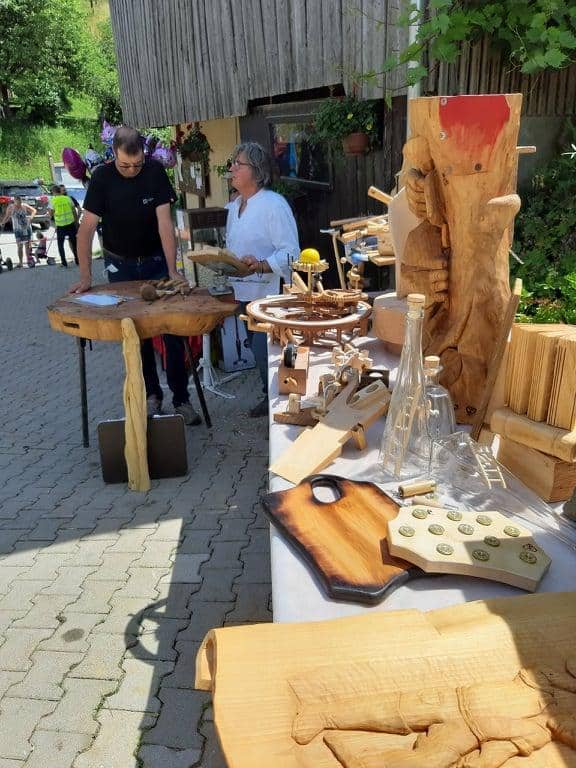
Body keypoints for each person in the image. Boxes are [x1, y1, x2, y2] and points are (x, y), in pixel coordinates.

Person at [69, 125, 200, 425]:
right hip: (121, 266)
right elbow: (85, 231)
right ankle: (152, 395)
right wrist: (86, 277)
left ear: (144, 153)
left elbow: (165, 224)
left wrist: (172, 270)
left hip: (155, 262)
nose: (131, 170)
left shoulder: (154, 172)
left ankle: (182, 398)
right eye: (125, 165)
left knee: (172, 329)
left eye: (137, 164)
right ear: (113, 154)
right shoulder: (101, 178)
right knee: (135, 333)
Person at [226, 141, 300, 417]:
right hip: (244, 293)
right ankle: (269, 398)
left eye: (238, 164)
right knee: (257, 353)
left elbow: (291, 253)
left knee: (269, 352)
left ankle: (284, 406)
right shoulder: (235, 206)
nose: (232, 168)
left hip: (270, 296)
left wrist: (260, 265)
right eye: (232, 163)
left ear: (256, 171)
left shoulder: (273, 205)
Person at [0, 196, 36, 268]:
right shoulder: (11, 207)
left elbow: (34, 210)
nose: (19, 205)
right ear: (14, 202)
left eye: (20, 203)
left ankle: (29, 261)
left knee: (27, 246)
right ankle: (21, 262)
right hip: (17, 230)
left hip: (26, 228)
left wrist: (30, 218)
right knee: (19, 246)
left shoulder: (24, 206)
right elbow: (7, 216)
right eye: (17, 204)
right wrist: (2, 223)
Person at [49, 184, 78, 267]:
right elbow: (74, 211)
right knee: (74, 243)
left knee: (60, 245)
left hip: (61, 226)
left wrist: (52, 221)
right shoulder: (68, 198)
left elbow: (51, 213)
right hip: (70, 224)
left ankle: (64, 262)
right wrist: (76, 222)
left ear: (54, 192)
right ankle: (77, 260)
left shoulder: (53, 200)